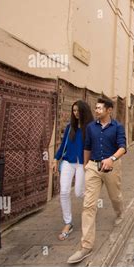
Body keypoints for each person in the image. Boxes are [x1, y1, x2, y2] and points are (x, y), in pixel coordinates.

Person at [67, 97, 127, 264]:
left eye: (100, 108)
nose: (97, 110)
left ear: (109, 110)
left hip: (111, 166)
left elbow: (123, 147)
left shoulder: (117, 127)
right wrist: (86, 165)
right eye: (96, 108)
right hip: (93, 167)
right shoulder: (91, 127)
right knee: (88, 205)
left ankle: (120, 212)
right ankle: (85, 246)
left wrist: (112, 159)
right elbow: (87, 146)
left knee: (115, 196)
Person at [52, 101, 94, 241]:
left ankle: (91, 204)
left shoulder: (91, 128)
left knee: (79, 193)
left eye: (78, 111)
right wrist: (55, 159)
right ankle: (68, 223)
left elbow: (93, 147)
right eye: (73, 111)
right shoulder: (70, 127)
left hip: (82, 164)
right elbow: (63, 145)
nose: (75, 113)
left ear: (84, 111)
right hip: (67, 162)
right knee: (64, 192)